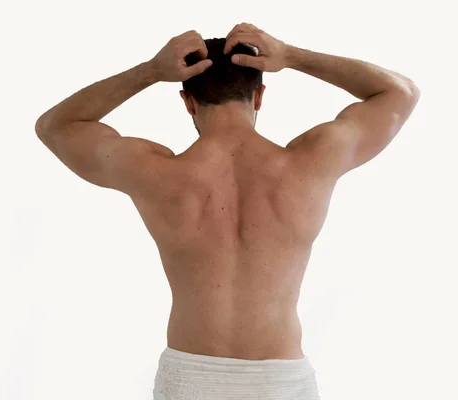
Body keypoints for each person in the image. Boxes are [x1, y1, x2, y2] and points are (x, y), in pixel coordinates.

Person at [35, 22, 420, 400]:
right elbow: (399, 93)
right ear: (259, 96)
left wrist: (150, 71)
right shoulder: (311, 161)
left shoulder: (155, 171)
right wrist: (291, 56)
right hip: (281, 382)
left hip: (190, 378)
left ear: (187, 102)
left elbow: (56, 126)